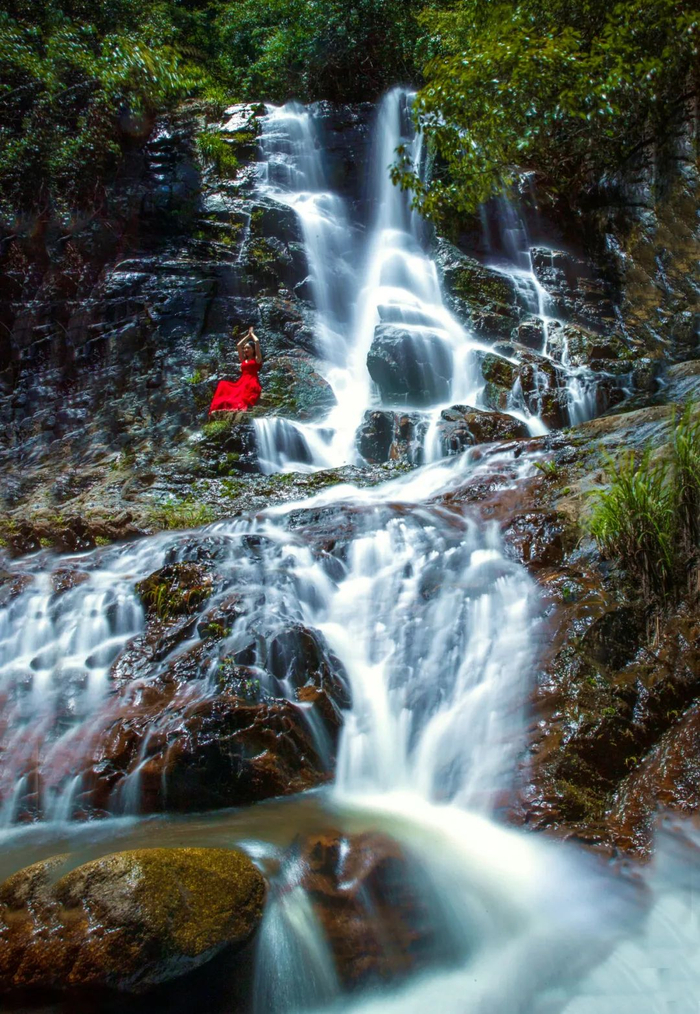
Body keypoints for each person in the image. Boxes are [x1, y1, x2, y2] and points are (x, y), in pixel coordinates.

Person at [208, 327, 263, 413]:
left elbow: (256, 341)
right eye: (245, 348)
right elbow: (238, 345)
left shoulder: (257, 359)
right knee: (223, 384)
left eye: (248, 348)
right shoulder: (243, 360)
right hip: (241, 381)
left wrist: (252, 334)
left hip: (251, 381)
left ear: (253, 350)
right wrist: (247, 336)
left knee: (243, 395)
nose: (245, 350)